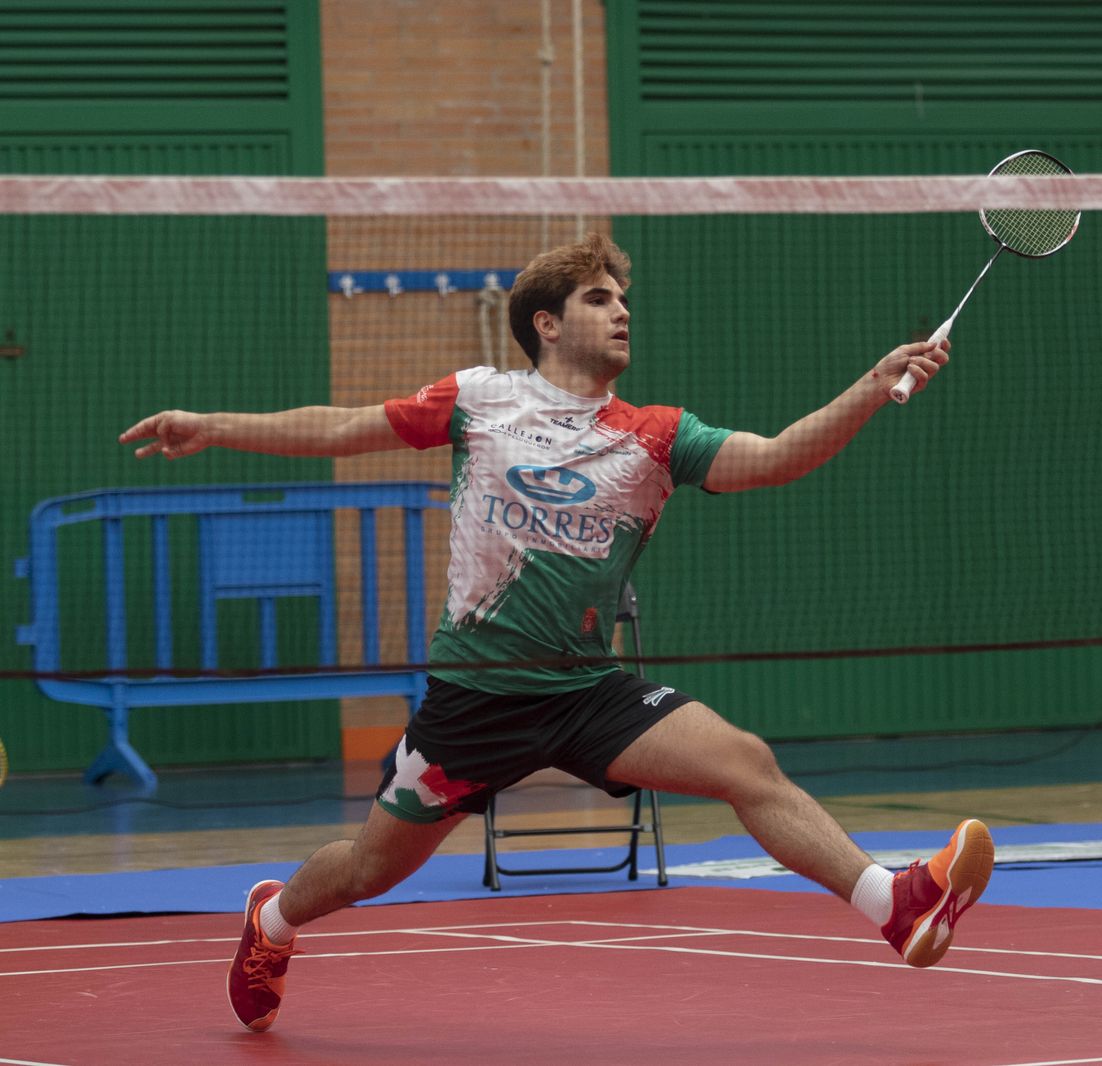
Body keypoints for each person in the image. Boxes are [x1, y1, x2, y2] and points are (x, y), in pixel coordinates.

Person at [120, 232, 992, 1033]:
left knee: (746, 762)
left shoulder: (655, 436)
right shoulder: (478, 401)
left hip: (586, 691)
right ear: (547, 321)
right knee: (365, 871)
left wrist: (873, 387)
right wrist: (215, 426)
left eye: (624, 302)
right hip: (475, 701)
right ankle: (271, 917)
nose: (621, 313)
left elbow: (774, 458)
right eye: (600, 299)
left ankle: (897, 902)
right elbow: (343, 428)